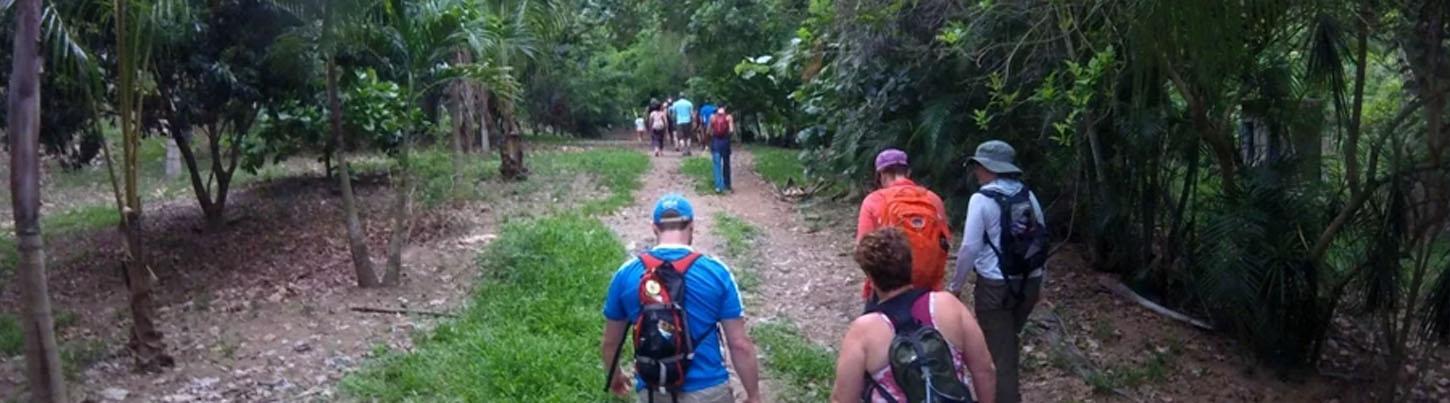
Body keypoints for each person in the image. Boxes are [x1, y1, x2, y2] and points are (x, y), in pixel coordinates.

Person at [602, 195, 763, 403]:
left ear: (654, 228)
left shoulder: (626, 274)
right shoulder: (716, 272)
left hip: (653, 390)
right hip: (708, 390)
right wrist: (754, 395)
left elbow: (610, 343)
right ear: (692, 226)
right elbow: (739, 344)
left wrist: (615, 376)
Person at [830, 228, 997, 403]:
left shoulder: (864, 331)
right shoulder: (948, 305)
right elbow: (984, 370)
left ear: (870, 277)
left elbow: (843, 399)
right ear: (911, 264)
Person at [947, 140, 1047, 403]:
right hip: (1029, 283)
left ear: (989, 168)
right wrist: (1040, 281)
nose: (976, 172)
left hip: (995, 288)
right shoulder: (1028, 194)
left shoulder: (981, 199)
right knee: (1007, 343)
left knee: (1000, 355)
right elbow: (1041, 240)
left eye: (978, 166)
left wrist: (955, 286)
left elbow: (969, 247)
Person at [855, 149, 952, 305]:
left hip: (887, 290)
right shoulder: (933, 199)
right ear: (908, 171)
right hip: (928, 288)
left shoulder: (873, 200)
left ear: (881, 175)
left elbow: (862, 249)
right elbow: (944, 243)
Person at [708, 105, 735, 193]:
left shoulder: (712, 117)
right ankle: (727, 184)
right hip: (725, 142)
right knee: (726, 164)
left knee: (717, 164)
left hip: (716, 142)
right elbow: (731, 130)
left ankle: (718, 186)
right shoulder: (728, 117)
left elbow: (708, 131)